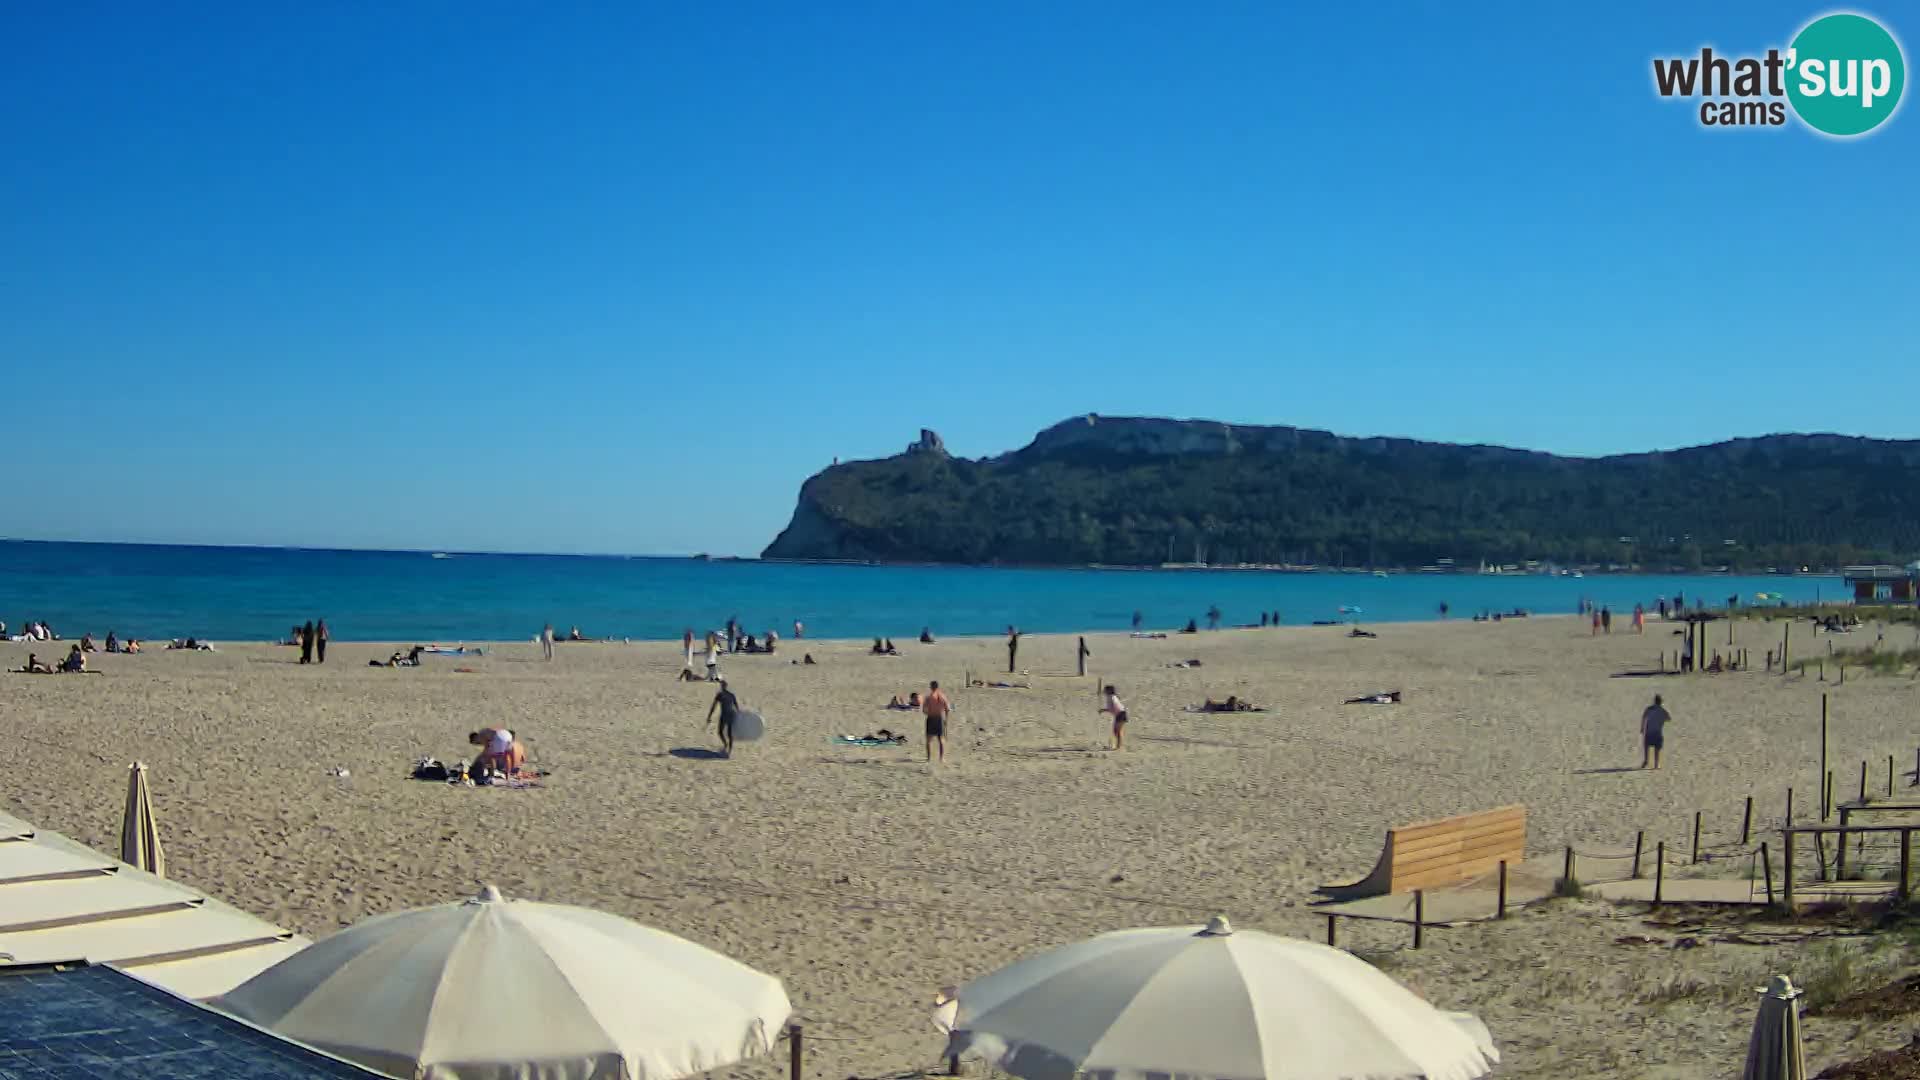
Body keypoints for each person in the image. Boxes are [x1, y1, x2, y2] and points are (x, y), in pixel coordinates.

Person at [707, 679, 739, 756]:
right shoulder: (731, 695)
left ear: (722, 686)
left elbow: (714, 706)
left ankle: (726, 745)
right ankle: (729, 750)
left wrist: (709, 716)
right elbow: (737, 706)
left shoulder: (720, 695)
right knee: (729, 733)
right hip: (731, 714)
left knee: (721, 732)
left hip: (725, 715)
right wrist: (739, 715)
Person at [923, 680, 951, 764]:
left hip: (931, 718)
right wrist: (946, 719)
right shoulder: (942, 696)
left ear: (931, 687)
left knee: (928, 740)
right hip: (939, 718)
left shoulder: (929, 697)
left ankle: (928, 758)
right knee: (941, 739)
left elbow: (924, 710)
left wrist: (928, 712)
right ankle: (941, 758)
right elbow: (947, 709)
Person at [1640, 695, 1671, 769]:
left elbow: (1644, 717)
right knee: (1657, 748)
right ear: (1661, 702)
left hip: (1649, 731)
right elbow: (1669, 719)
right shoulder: (1663, 710)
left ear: (1654, 701)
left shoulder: (1649, 709)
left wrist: (1642, 728)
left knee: (1646, 746)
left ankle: (1646, 760)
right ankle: (1656, 764)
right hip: (1658, 732)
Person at [1101, 684, 1128, 751]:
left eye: (1105, 690)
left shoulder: (1111, 697)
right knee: (1116, 731)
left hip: (1120, 714)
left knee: (1117, 731)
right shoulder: (1112, 696)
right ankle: (1118, 745)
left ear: (1109, 691)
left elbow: (1112, 708)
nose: (1104, 691)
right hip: (1120, 714)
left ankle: (1118, 746)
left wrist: (1103, 710)